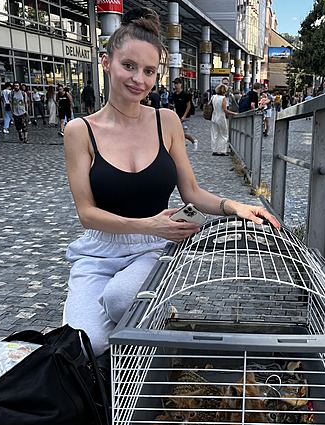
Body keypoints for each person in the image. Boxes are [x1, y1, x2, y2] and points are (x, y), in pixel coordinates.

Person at [61, 7, 279, 358]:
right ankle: (146, 318)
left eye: (149, 71)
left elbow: (190, 192)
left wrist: (235, 206)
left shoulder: (167, 121)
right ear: (106, 62)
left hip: (152, 245)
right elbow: (87, 213)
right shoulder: (79, 131)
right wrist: (150, 223)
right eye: (128, 66)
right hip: (100, 249)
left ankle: (147, 320)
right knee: (86, 347)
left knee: (120, 302)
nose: (139, 80)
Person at [171, 77, 198, 150]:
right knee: (177, 133)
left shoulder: (185, 95)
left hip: (185, 116)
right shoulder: (174, 95)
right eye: (174, 84)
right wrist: (173, 106)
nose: (175, 85)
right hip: (177, 116)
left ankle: (194, 141)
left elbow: (188, 106)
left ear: (180, 84)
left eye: (177, 83)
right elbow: (175, 104)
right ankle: (180, 146)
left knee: (184, 133)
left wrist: (184, 116)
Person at [210, 84, 237, 155]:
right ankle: (223, 150)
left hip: (214, 116)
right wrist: (234, 113)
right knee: (224, 134)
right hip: (221, 117)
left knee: (215, 134)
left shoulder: (213, 97)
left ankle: (215, 150)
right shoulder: (223, 98)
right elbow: (225, 110)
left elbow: (209, 104)